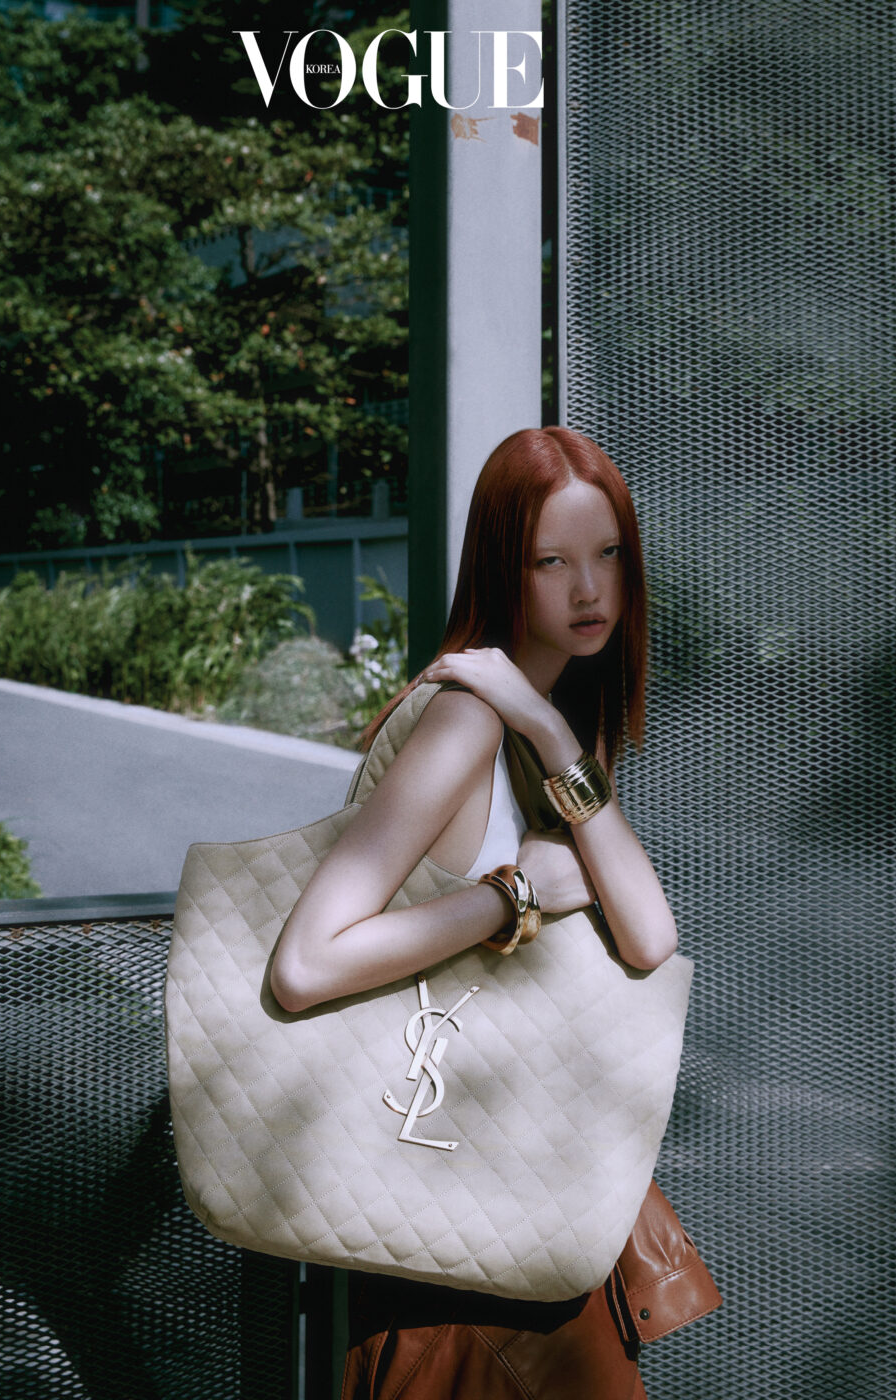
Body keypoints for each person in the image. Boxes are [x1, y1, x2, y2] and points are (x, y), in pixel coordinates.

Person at [270, 427, 685, 1398]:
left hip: (520, 1200)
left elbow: (650, 935)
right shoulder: (463, 719)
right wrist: (513, 898)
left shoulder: (545, 719)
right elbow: (306, 962)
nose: (588, 589)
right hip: (455, 1224)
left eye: (607, 554)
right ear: (504, 566)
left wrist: (549, 731)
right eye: (551, 562)